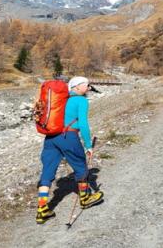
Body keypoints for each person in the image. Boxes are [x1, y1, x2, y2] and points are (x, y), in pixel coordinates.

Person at [36, 76, 103, 224]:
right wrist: (88, 146)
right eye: (86, 85)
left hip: (51, 137)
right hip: (68, 136)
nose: (88, 88)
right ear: (77, 87)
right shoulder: (81, 100)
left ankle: (42, 209)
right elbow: (84, 124)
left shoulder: (61, 99)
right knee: (80, 166)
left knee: (47, 171)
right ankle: (85, 198)